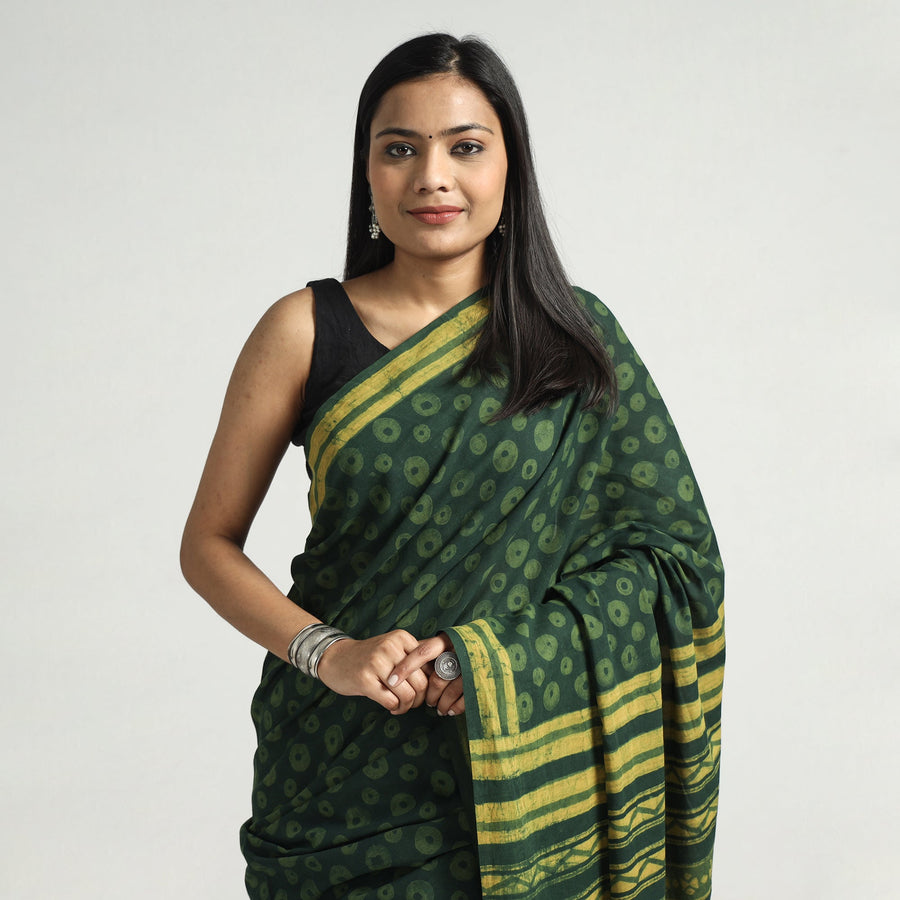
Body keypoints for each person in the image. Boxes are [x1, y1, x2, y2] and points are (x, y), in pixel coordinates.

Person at [181, 32, 725, 900]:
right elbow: (207, 545)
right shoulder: (303, 330)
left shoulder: (576, 340)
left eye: (465, 147)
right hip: (337, 764)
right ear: (368, 173)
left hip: (524, 770)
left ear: (511, 169)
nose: (432, 177)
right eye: (400, 149)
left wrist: (489, 659)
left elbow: (676, 566)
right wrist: (330, 653)